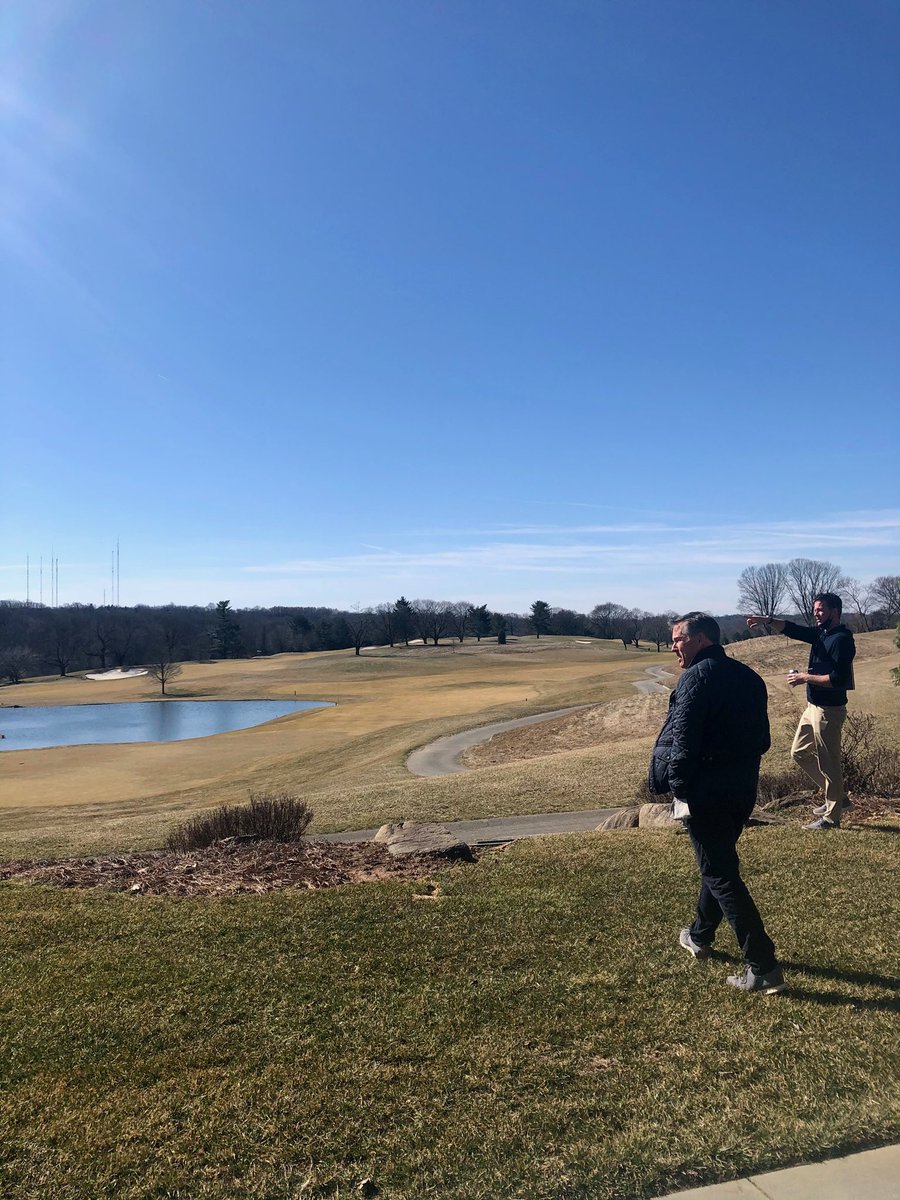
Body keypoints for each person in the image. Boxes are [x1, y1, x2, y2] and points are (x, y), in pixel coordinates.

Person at [649, 611, 785, 994]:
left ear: (702, 640)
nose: (674, 645)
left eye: (678, 638)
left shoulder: (695, 677)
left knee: (721, 874)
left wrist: (679, 789)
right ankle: (699, 934)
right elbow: (763, 741)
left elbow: (683, 741)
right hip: (742, 788)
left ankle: (763, 967)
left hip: (705, 791)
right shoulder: (750, 677)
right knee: (718, 862)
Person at [747, 593, 856, 831]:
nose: (816, 614)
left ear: (834, 611)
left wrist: (805, 678)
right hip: (813, 707)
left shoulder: (842, 639)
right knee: (798, 752)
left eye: (820, 610)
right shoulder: (821, 633)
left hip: (829, 710)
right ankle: (838, 797)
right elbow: (792, 629)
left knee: (830, 764)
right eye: (815, 610)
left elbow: (839, 679)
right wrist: (766, 620)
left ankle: (831, 817)